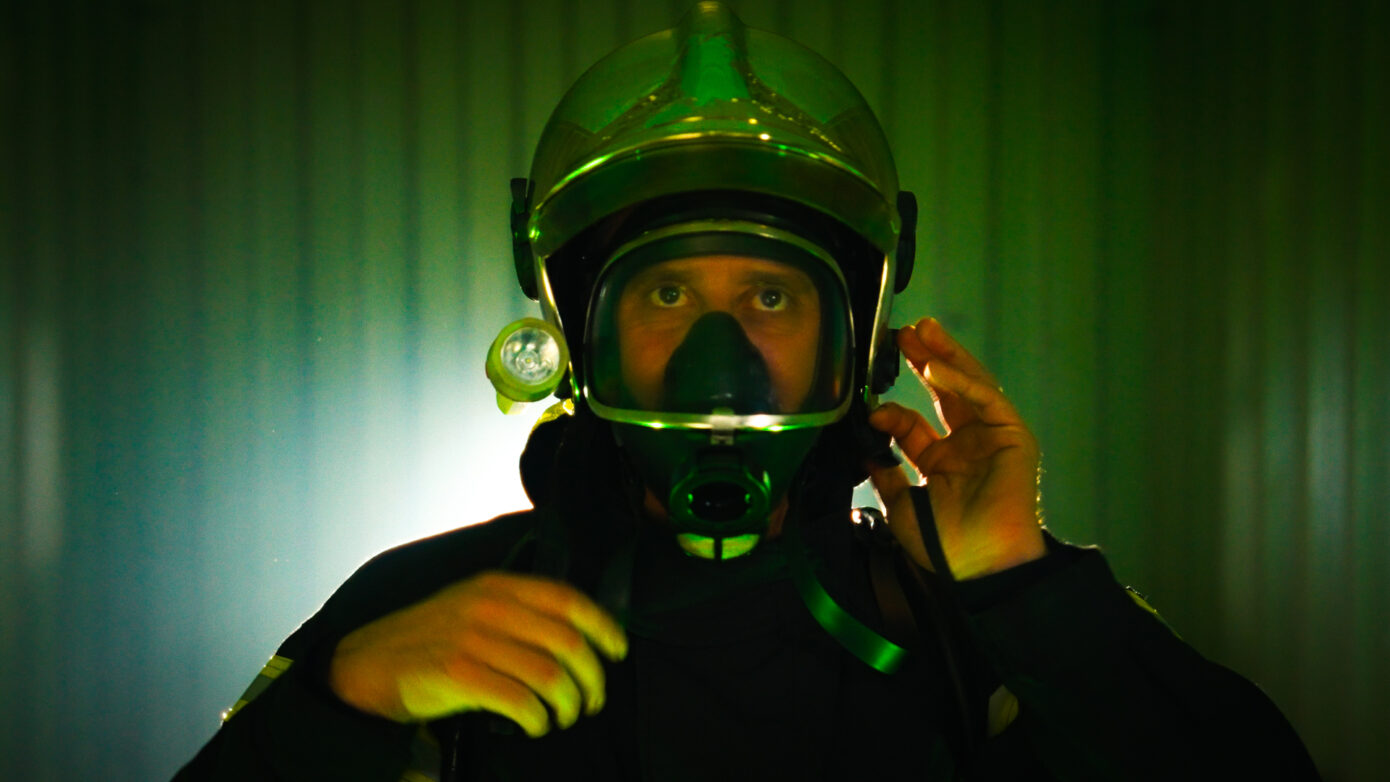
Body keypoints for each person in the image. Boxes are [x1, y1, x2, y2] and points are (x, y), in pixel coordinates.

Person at [175, 4, 1320, 780]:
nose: (716, 350)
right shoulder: (431, 610)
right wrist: (345, 702)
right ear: (581, 333)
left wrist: (1021, 586)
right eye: (668, 292)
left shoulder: (965, 630)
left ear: (852, 337)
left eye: (769, 295)